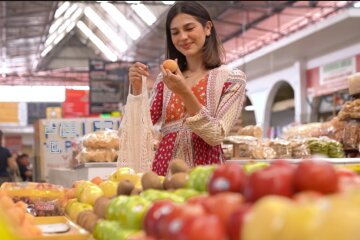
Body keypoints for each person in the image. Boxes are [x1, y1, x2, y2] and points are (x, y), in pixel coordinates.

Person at [128, 1, 246, 176]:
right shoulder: (165, 79)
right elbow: (137, 130)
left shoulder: (231, 78)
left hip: (205, 174)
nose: (182, 37)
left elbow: (215, 135)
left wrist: (184, 92)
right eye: (175, 32)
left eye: (189, 28)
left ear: (207, 28)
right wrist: (137, 91)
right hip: (163, 172)